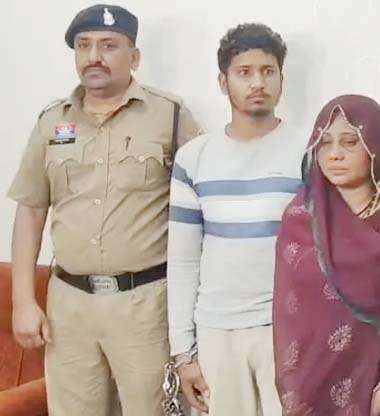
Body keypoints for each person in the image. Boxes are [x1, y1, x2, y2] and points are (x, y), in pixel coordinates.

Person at [8, 4, 201, 415]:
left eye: (109, 45)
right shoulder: (51, 122)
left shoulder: (169, 115)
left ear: (134, 57)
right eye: (84, 45)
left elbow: (202, 204)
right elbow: (30, 210)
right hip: (68, 307)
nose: (94, 56)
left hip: (144, 304)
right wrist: (23, 301)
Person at [167, 23, 307, 416]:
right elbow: (183, 260)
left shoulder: (309, 152)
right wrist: (183, 354)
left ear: (282, 80)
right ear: (223, 81)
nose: (258, 83)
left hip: (288, 328)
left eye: (268, 71)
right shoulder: (194, 158)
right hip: (216, 332)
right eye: (244, 72)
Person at [273, 95, 380, 415]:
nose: (334, 154)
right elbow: (290, 313)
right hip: (311, 394)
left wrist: (379, 400)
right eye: (324, 142)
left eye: (350, 142)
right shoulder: (302, 215)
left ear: (376, 146)